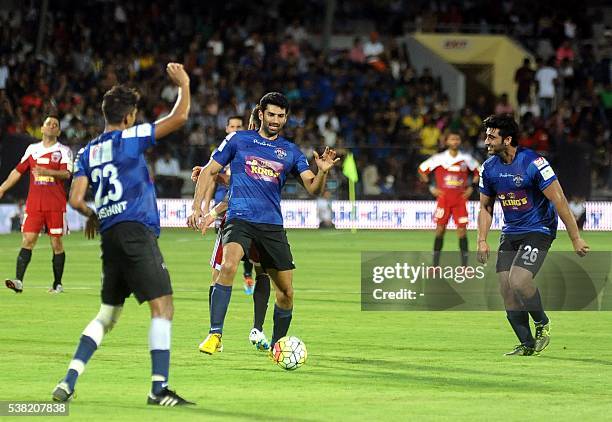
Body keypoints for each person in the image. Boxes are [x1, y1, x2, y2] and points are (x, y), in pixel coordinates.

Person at [52, 63, 194, 406]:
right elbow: (179, 118)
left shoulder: (86, 152)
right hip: (135, 232)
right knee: (163, 308)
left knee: (108, 315)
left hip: (111, 237)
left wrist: (95, 214)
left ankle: (68, 381)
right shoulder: (129, 137)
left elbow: (74, 199)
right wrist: (184, 85)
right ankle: (158, 389)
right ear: (129, 117)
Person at [188, 92, 338, 355]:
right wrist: (197, 208)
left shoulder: (290, 151)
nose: (275, 120)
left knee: (287, 293)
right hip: (240, 218)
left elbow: (312, 188)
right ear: (260, 114)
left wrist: (322, 172)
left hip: (271, 225)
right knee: (229, 264)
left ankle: (278, 346)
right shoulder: (238, 139)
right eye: (271, 114)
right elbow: (210, 170)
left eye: (281, 116)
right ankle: (215, 335)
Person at [477, 114, 589, 356]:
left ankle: (542, 323)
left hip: (539, 230)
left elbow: (558, 199)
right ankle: (527, 344)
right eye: (486, 136)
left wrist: (575, 237)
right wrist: (482, 240)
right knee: (506, 289)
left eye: (491, 136)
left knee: (519, 280)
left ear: (507, 140)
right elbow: (486, 207)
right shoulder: (488, 168)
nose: (486, 141)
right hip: (511, 232)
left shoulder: (533, 163)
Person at [191, 107, 273, 351]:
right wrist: (206, 209)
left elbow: (240, 185)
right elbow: (227, 183)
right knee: (221, 271)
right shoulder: (233, 149)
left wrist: (210, 209)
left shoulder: (270, 151)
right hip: (232, 217)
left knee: (263, 271)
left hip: (263, 220)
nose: (247, 128)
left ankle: (257, 330)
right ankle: (215, 334)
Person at [0, 115, 73, 294]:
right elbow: (18, 171)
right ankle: (18, 282)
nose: (52, 126)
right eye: (48, 123)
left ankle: (57, 284)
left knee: (56, 242)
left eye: (55, 125)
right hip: (34, 203)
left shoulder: (63, 151)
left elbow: (67, 174)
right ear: (42, 128)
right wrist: (2, 188)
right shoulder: (32, 149)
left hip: (55, 203)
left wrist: (46, 171)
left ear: (58, 131)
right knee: (27, 240)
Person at [418, 132, 479, 267]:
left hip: (460, 200)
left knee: (462, 231)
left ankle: (464, 267)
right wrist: (431, 187)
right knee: (440, 230)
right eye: (452, 139)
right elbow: (422, 170)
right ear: (447, 142)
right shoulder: (439, 158)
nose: (455, 141)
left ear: (460, 141)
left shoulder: (466, 158)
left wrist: (472, 188)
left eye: (457, 139)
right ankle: (435, 266)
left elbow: (479, 171)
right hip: (444, 200)